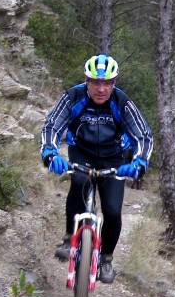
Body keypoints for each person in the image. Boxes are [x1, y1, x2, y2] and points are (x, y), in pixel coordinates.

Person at [40, 53, 153, 283]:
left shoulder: (122, 102)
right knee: (79, 181)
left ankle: (107, 258)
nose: (101, 89)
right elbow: (52, 125)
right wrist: (50, 153)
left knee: (112, 211)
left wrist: (139, 162)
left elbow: (143, 135)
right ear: (86, 80)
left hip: (113, 158)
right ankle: (70, 236)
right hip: (81, 151)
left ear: (114, 83)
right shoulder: (73, 96)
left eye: (107, 83)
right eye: (95, 82)